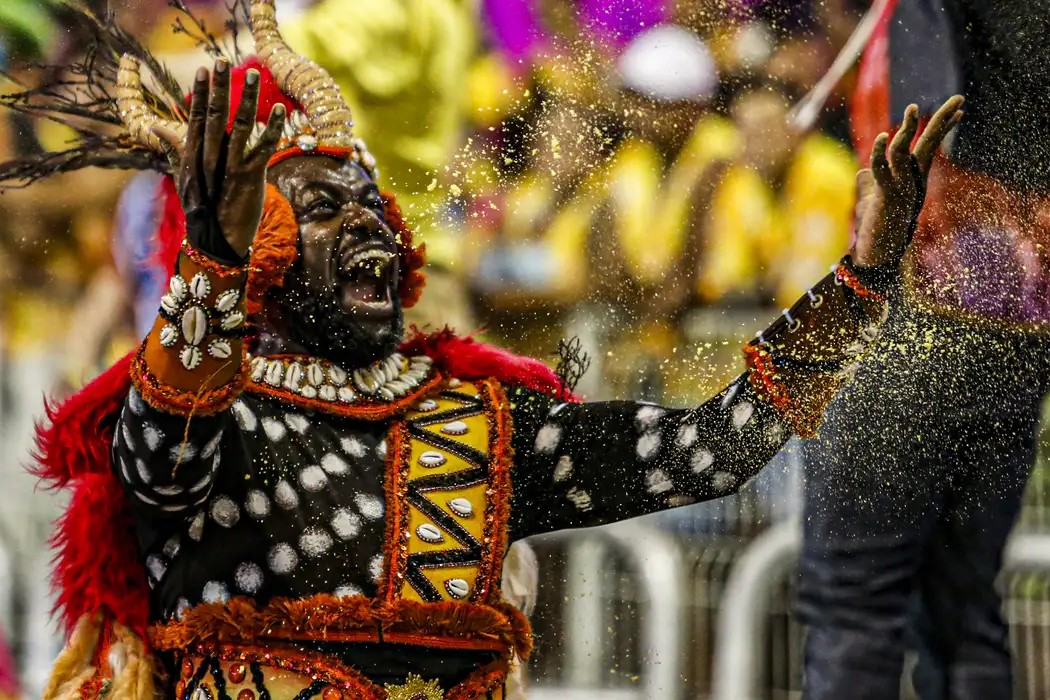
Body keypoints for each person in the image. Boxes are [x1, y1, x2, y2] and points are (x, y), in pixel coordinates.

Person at [8, 1, 960, 697]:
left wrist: (865, 281)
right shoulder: (214, 421)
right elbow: (156, 462)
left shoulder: (476, 417)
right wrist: (209, 264)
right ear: (261, 250)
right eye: (328, 211)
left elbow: (705, 449)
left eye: (375, 209)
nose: (371, 228)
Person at [797, 2, 1050, 699]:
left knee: (852, 599)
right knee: (962, 612)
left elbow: (929, 110)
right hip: (1022, 328)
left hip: (913, 318)